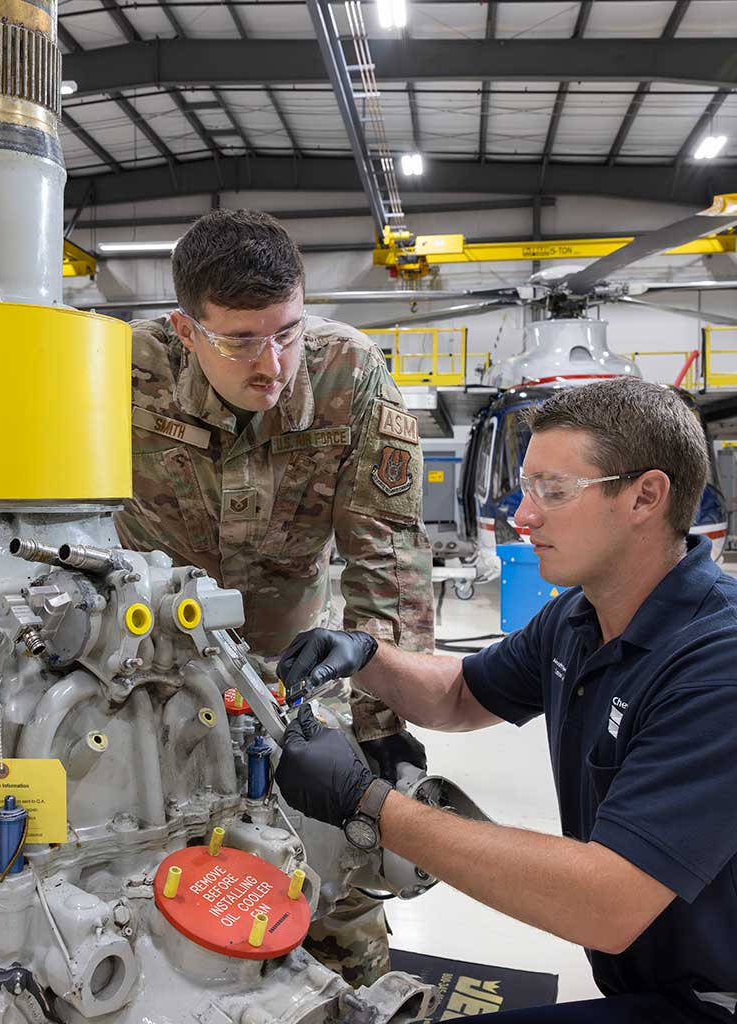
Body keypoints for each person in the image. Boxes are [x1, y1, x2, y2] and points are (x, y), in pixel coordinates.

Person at [276, 376, 737, 1023]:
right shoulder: (582, 616)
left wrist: (365, 802)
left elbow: (606, 902)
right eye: (526, 488)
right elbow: (462, 694)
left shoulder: (716, 664)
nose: (521, 516)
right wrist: (366, 656)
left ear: (645, 497)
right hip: (649, 982)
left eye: (553, 492)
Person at [114, 208, 435, 985]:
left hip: (295, 662)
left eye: (287, 331)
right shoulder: (119, 373)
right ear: (185, 330)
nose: (273, 365)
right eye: (240, 340)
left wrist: (385, 721)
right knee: (144, 846)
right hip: (150, 660)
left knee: (334, 863)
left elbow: (385, 556)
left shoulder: (347, 374)